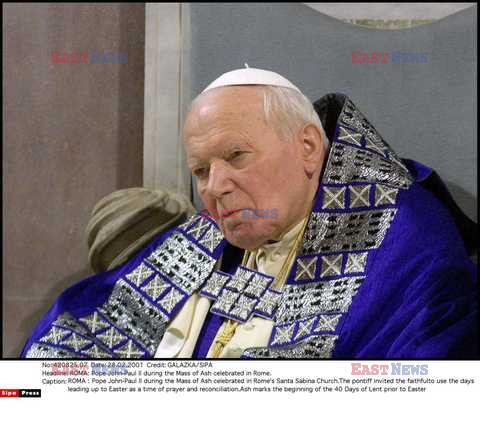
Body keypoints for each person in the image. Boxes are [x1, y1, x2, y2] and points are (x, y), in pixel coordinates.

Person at [21, 67, 477, 359]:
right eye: (200, 170)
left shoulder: (402, 237)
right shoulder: (210, 232)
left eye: (237, 156)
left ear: (308, 147)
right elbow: (83, 331)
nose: (214, 189)